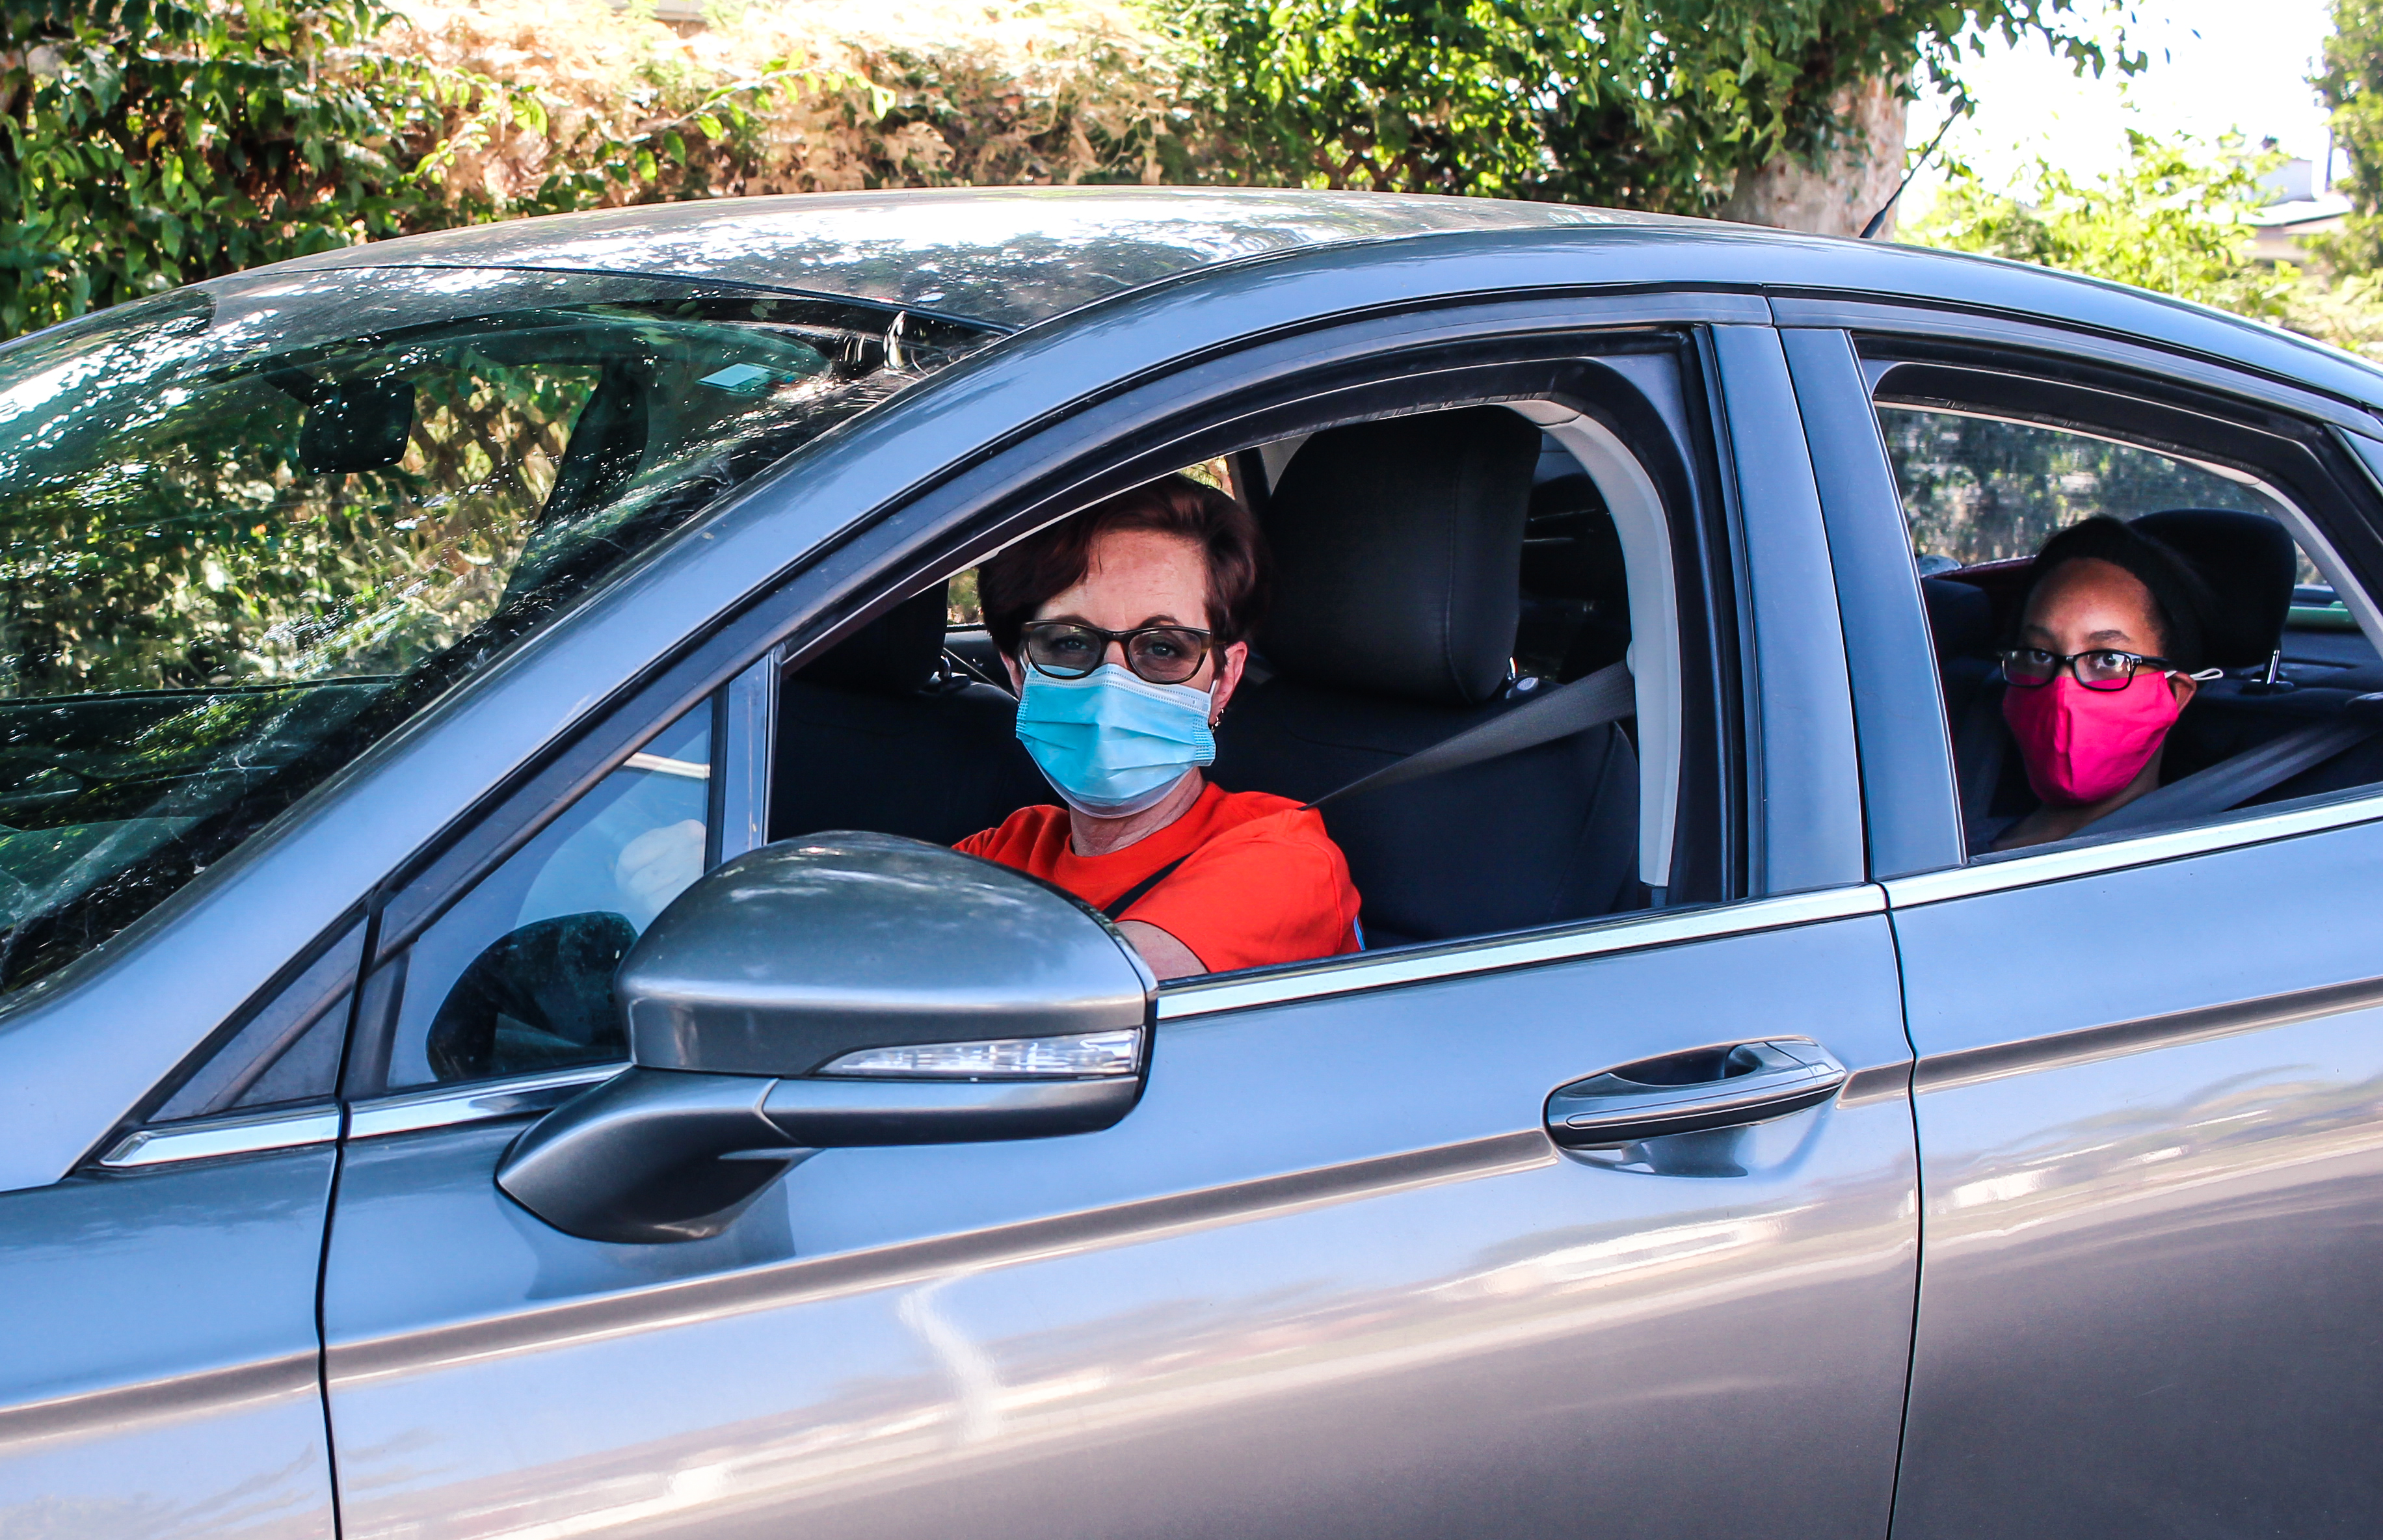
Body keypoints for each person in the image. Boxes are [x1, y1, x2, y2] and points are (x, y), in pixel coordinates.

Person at [956, 474, 1362, 979]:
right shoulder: (1006, 849)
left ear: (1225, 678)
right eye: (1068, 643)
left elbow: (1077, 1002)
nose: (1111, 685)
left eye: (1164, 648)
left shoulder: (1284, 860)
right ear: (1018, 671)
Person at [1988, 516, 2221, 853]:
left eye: (2107, 660)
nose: (2062, 689)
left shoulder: (2187, 863)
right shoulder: (1957, 812)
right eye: (2039, 655)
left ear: (2174, 694)